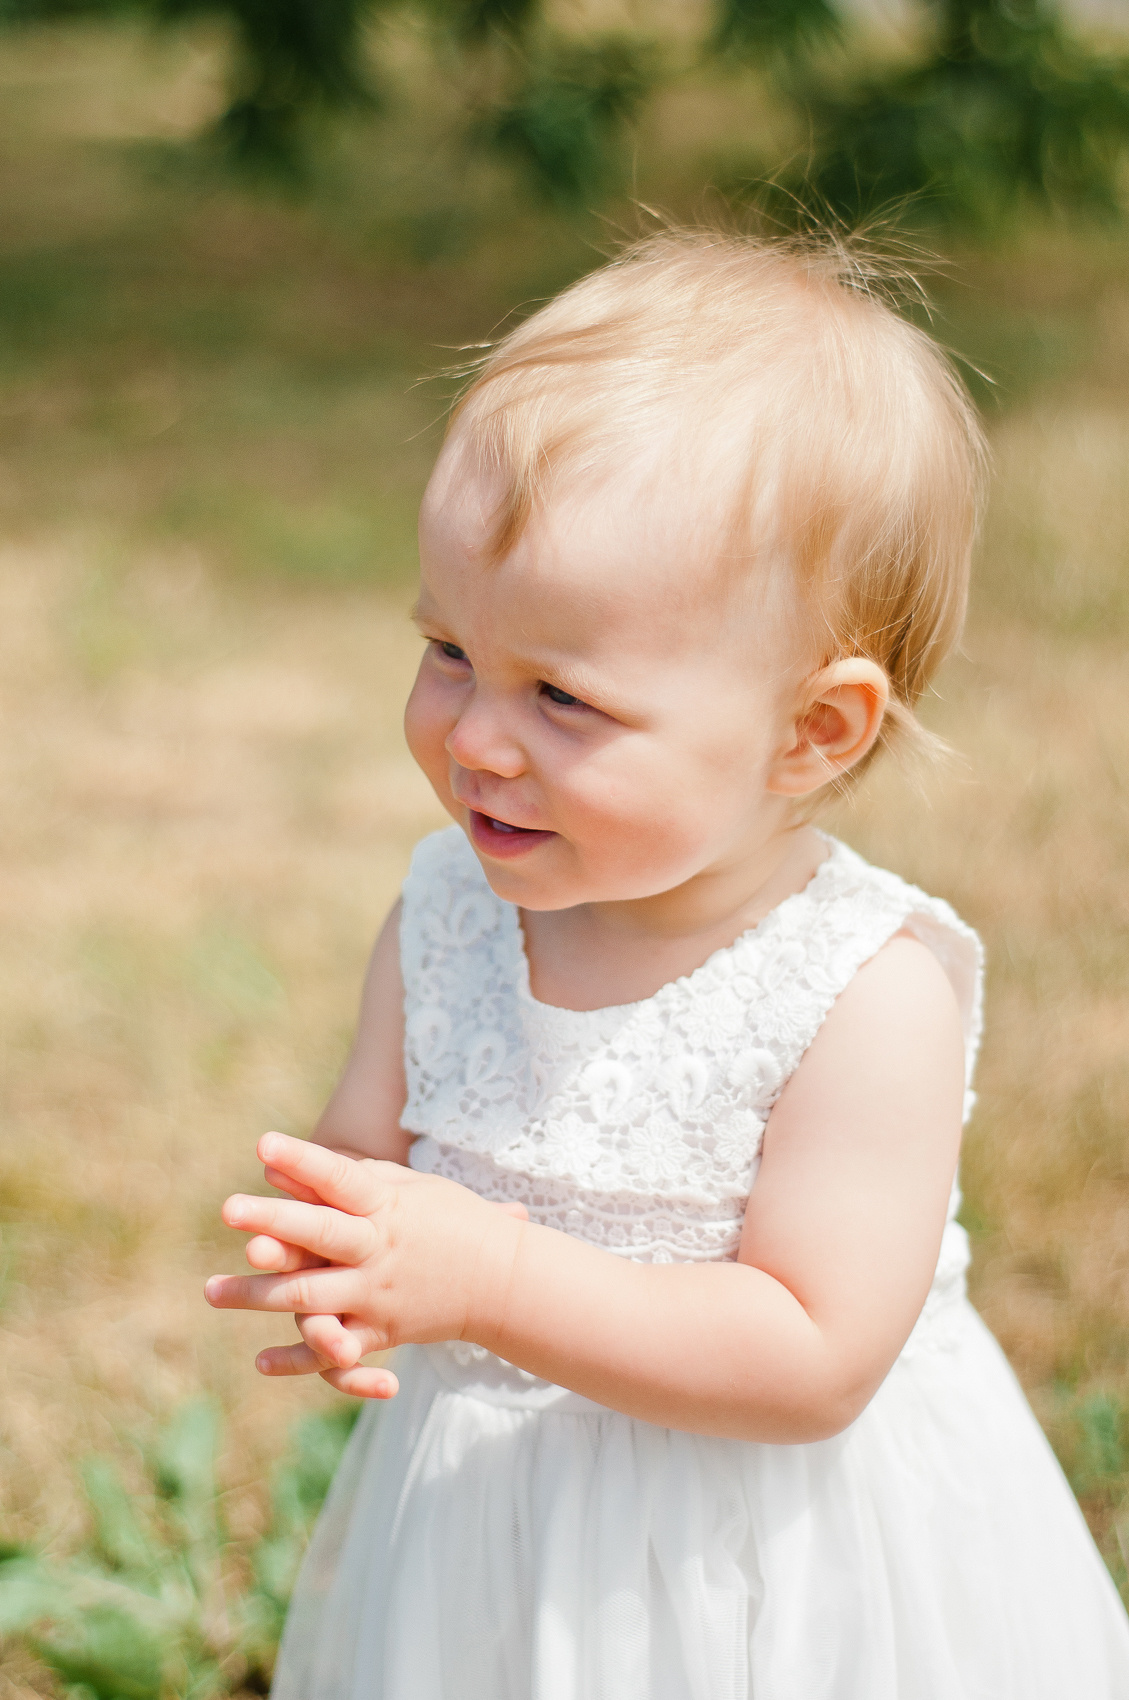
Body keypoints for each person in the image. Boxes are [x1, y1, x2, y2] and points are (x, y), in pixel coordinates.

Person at [205, 228, 1129, 1699]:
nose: (475, 736)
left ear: (809, 732)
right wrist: (345, 1251)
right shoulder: (448, 907)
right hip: (498, 1533)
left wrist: (493, 1277)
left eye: (563, 697)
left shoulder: (861, 992)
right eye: (449, 650)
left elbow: (812, 1359)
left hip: (766, 1568)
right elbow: (368, 1144)